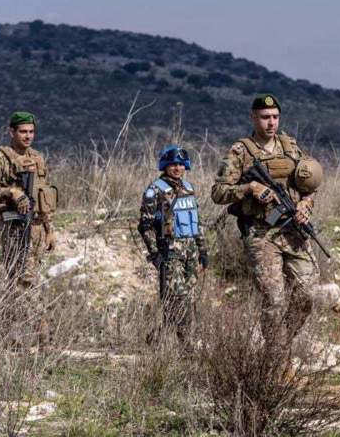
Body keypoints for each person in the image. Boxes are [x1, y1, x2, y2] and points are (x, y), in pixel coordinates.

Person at [211, 94, 323, 366]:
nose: (271, 122)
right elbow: (218, 192)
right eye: (265, 117)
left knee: (307, 294)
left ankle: (280, 346)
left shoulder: (290, 147)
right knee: (274, 299)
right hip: (261, 234)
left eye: (275, 117)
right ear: (253, 117)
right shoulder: (240, 151)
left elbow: (310, 185)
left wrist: (306, 205)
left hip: (292, 230)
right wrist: (249, 188)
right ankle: (276, 360)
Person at [0, 111, 58, 290]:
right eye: (23, 131)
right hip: (15, 228)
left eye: (31, 131)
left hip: (37, 228)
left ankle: (20, 307)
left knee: (33, 279)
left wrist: (49, 230)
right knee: (20, 280)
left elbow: (43, 197)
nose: (28, 136)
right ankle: (14, 306)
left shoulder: (37, 158)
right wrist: (11, 192)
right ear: (11, 132)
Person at [138, 145, 208, 344]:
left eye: (180, 164)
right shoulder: (154, 190)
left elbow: (196, 221)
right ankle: (186, 346)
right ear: (165, 166)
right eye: (173, 164)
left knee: (188, 299)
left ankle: (157, 339)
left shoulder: (188, 188)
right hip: (170, 253)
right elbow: (145, 226)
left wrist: (203, 250)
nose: (177, 168)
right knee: (176, 298)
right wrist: (154, 253)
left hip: (190, 253)